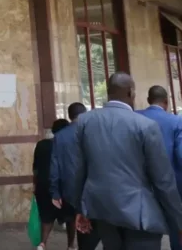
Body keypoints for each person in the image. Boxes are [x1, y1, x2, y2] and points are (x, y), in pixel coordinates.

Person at [72, 73, 182, 250]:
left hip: (103, 210)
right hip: (140, 215)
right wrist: (178, 219)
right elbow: (163, 180)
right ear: (131, 92)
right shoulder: (145, 125)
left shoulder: (85, 121)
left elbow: (78, 170)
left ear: (108, 92)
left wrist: (80, 209)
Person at [137, 86, 182, 250]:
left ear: (148, 101)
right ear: (166, 102)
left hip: (141, 187)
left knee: (143, 234)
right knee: (177, 227)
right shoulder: (176, 121)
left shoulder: (135, 117)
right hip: (173, 186)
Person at [51, 102, 97, 250]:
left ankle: (75, 245)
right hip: (94, 187)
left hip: (70, 189)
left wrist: (55, 192)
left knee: (74, 219)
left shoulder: (59, 136)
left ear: (69, 116)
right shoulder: (94, 131)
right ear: (84, 114)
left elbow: (55, 166)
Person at [34, 118, 71, 250]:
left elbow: (36, 169)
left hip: (43, 185)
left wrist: (35, 186)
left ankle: (43, 243)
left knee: (46, 217)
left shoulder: (42, 145)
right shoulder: (68, 144)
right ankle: (71, 246)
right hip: (64, 186)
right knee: (69, 216)